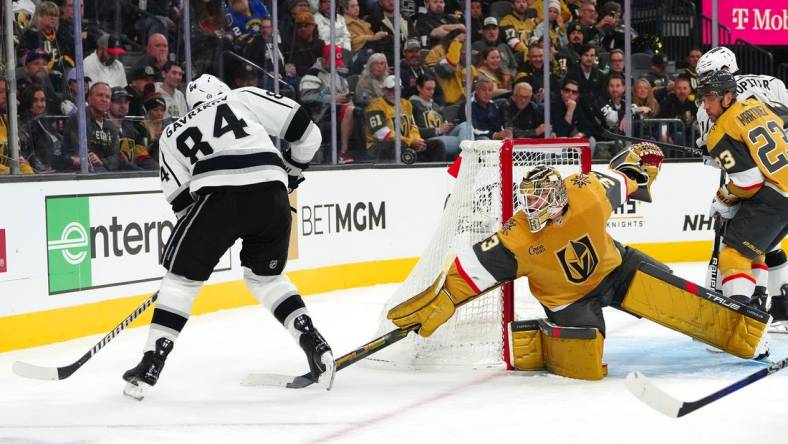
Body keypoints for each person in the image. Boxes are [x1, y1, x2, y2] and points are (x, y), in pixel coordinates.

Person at [388, 142, 771, 380]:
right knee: (586, 361)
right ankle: (540, 336)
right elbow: (468, 273)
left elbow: (624, 178)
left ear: (557, 196)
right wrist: (440, 303)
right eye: (528, 199)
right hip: (567, 300)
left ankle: (745, 337)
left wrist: (642, 165)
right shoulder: (516, 236)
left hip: (618, 269)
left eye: (539, 199)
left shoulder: (586, 193)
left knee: (683, 297)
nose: (531, 206)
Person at [122, 74, 334, 400]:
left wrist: (202, 250)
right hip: (272, 194)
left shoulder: (171, 134)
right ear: (223, 90)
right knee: (266, 279)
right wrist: (289, 175)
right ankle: (313, 341)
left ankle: (152, 362)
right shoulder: (242, 97)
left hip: (217, 198)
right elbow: (309, 136)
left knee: (181, 281)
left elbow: (182, 204)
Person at [694, 48, 788, 327]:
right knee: (762, 245)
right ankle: (781, 305)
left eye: (710, 98)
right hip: (780, 176)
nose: (706, 105)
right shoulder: (768, 90)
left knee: (734, 252)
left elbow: (747, 180)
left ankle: (744, 318)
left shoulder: (720, 124)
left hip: (770, 189)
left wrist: (724, 197)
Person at [365, 75, 446, 163]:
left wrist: (418, 141)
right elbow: (382, 134)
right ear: (384, 90)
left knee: (437, 145)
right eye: (390, 90)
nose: (394, 93)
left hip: (406, 143)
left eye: (397, 90)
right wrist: (410, 141)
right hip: (377, 146)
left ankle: (436, 174)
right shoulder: (375, 106)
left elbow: (413, 127)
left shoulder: (406, 104)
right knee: (399, 145)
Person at [299, 45, 357, 164]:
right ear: (324, 59)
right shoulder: (312, 74)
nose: (336, 65)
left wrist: (346, 97)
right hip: (319, 114)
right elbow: (306, 97)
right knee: (350, 110)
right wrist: (333, 98)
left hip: (337, 110)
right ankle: (343, 153)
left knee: (356, 111)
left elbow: (342, 94)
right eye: (333, 62)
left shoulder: (338, 75)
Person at [409, 73, 462, 159]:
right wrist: (438, 130)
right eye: (428, 89)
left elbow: (444, 125)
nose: (432, 92)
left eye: (433, 89)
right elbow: (413, 130)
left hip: (444, 137)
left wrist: (449, 127)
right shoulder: (411, 105)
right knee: (468, 144)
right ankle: (465, 157)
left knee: (465, 126)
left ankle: (464, 155)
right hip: (430, 141)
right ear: (419, 88)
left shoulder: (435, 105)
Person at [456, 75, 509, 140]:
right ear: (477, 90)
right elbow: (472, 129)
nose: (487, 93)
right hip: (472, 137)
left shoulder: (493, 105)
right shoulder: (468, 105)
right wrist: (494, 135)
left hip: (491, 136)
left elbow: (498, 125)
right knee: (485, 140)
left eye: (490, 90)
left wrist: (503, 133)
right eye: (483, 90)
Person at [656, 75, 697, 148]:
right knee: (678, 135)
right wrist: (664, 134)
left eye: (685, 88)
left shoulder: (694, 103)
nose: (682, 91)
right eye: (679, 88)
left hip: (690, 135)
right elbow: (663, 122)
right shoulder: (667, 102)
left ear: (690, 90)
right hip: (673, 134)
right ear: (674, 89)